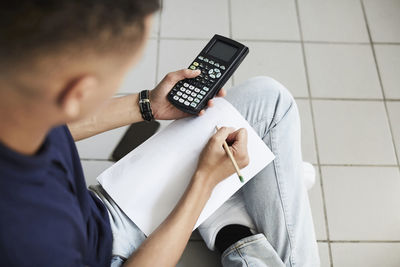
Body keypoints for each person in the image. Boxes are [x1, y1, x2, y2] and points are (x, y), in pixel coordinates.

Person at [0, 1, 319, 266]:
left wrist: (147, 104)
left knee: (269, 99)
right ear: (77, 93)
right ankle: (231, 226)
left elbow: (56, 125)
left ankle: (227, 219)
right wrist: (203, 183)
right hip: (114, 255)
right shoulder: (29, 241)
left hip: (92, 211)